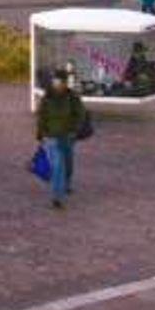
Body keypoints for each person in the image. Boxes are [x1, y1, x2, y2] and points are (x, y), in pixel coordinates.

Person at [35, 68, 88, 208]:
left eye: (59, 81)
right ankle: (57, 197)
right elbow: (41, 116)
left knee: (68, 162)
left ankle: (66, 184)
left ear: (65, 82)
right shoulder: (47, 97)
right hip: (51, 137)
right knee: (58, 166)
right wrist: (41, 134)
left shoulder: (72, 97)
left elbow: (81, 114)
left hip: (68, 136)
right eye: (54, 81)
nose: (56, 83)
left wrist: (74, 130)